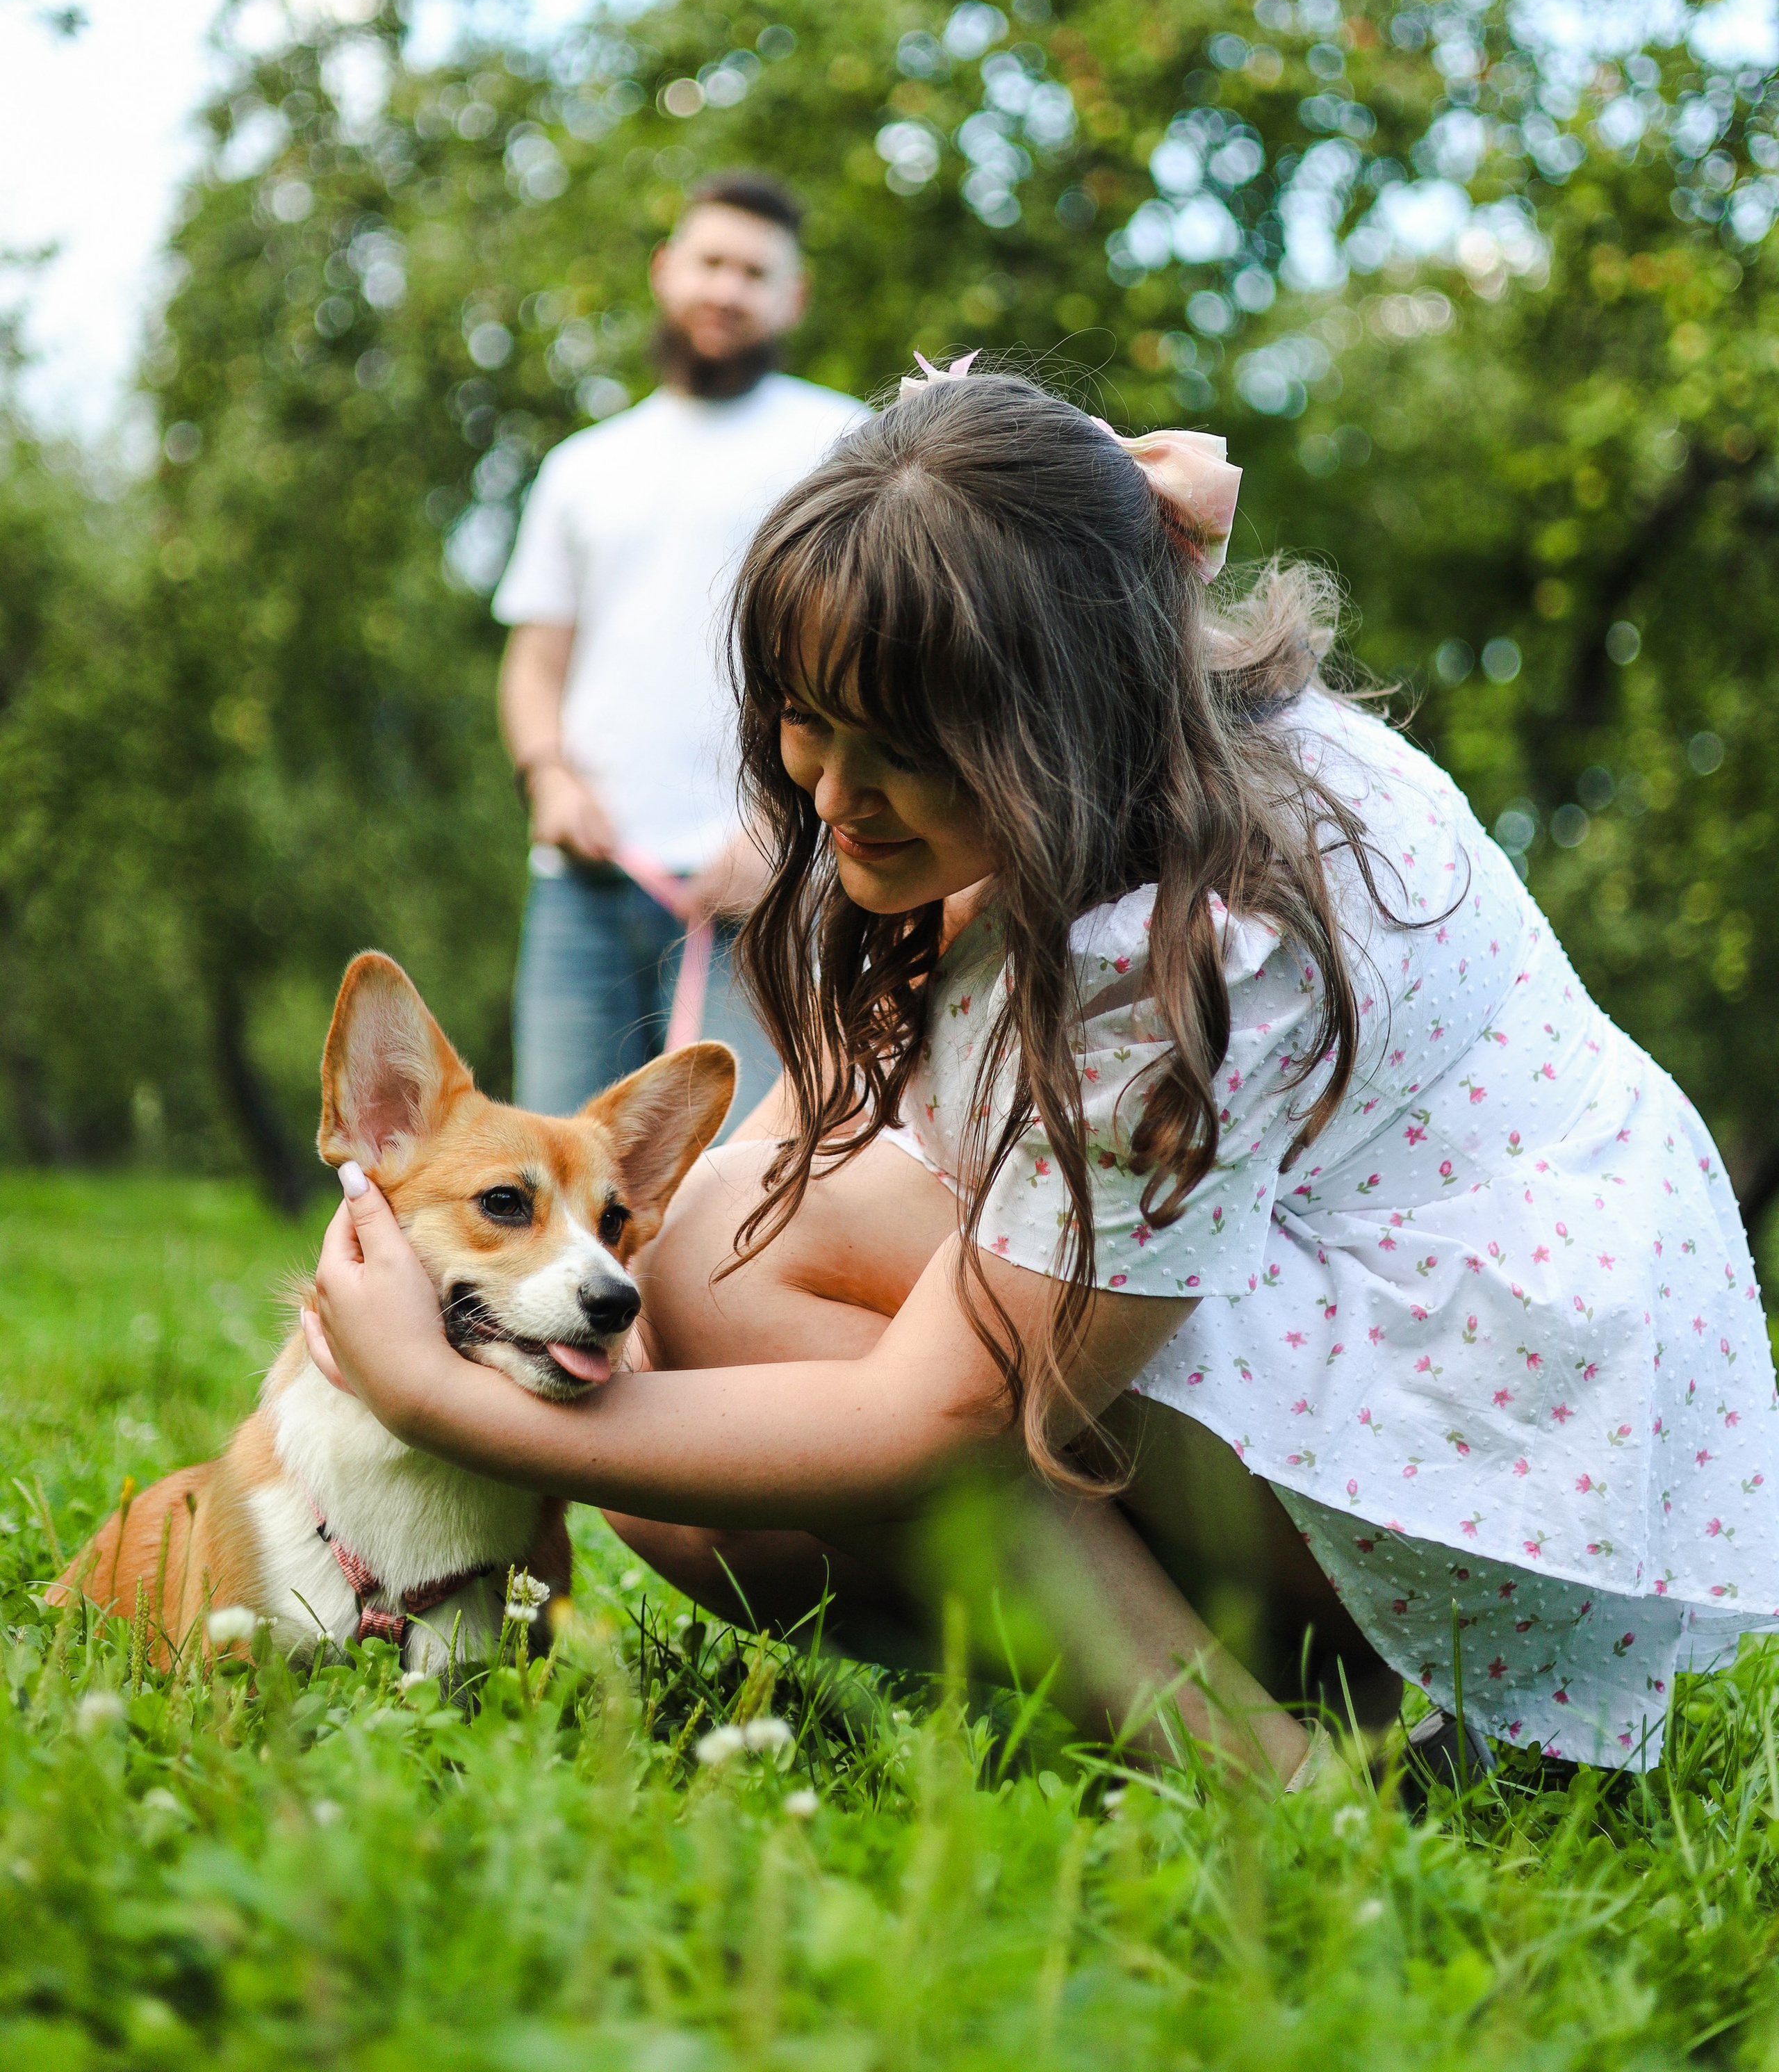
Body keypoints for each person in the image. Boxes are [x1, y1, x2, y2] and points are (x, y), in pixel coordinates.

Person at [306, 368, 1779, 1786]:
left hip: (1481, 1469)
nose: (824, 796)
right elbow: (782, 1163)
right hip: (1397, 1367)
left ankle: (1271, 1772)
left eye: (897, 750)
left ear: (1046, 722)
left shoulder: (1195, 936)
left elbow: (925, 1412)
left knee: (720, 1342)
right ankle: (1175, 1670)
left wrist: (440, 1400)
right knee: (685, 1365)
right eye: (804, 720)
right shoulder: (1092, 749)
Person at [493, 170, 864, 1131]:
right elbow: (537, 663)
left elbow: (876, 673)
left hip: (773, 889)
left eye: (755, 271)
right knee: (560, 1179)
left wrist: (789, 830)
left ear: (794, 296)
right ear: (666, 272)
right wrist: (549, 780)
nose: (727, 289)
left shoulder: (846, 447)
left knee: (735, 1185)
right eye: (710, 262)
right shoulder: (583, 467)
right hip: (585, 885)